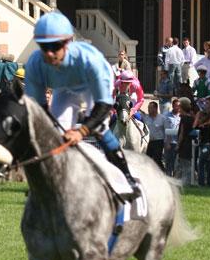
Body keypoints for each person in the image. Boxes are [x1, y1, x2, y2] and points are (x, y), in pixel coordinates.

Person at [25, 11, 140, 197]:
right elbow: (38, 109)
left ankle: (128, 179)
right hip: (63, 89)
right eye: (44, 47)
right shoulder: (35, 64)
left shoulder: (91, 61)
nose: (49, 53)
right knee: (53, 133)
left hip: (91, 86)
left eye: (55, 46)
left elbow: (103, 106)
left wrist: (81, 131)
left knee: (100, 129)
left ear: (68, 41)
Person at [175, 97, 195, 186]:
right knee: (186, 165)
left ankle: (185, 183)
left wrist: (178, 145)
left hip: (184, 145)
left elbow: (182, 133)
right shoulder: (191, 117)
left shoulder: (184, 119)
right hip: (189, 144)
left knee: (184, 166)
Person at [141, 99, 166, 171]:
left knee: (157, 159)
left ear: (155, 108)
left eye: (150, 108)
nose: (148, 109)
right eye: (148, 108)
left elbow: (166, 131)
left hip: (158, 142)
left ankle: (162, 172)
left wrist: (166, 142)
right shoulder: (145, 118)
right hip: (148, 142)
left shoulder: (162, 118)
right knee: (147, 159)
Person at [194, 105, 210, 186]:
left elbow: (194, 126)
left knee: (201, 165)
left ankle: (201, 183)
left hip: (205, 147)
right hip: (208, 146)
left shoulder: (203, 126)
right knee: (209, 165)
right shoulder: (209, 125)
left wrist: (197, 116)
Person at [163, 97, 181, 177]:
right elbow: (166, 130)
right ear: (173, 106)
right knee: (169, 162)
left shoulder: (181, 117)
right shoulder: (167, 116)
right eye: (176, 106)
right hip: (169, 143)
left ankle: (175, 178)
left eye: (179, 106)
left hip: (178, 143)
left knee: (177, 163)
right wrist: (167, 143)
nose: (178, 107)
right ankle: (168, 177)